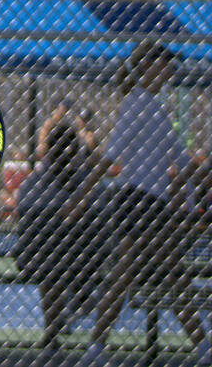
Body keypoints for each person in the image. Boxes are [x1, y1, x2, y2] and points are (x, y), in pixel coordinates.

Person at [79, 41, 210, 366]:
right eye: (165, 62)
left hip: (151, 204)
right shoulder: (137, 104)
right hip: (138, 202)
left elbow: (181, 157)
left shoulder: (153, 106)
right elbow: (110, 155)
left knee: (150, 276)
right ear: (148, 66)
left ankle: (96, 347)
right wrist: (81, 198)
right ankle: (203, 346)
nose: (171, 69)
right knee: (161, 276)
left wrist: (196, 177)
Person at [14, 121, 111, 351]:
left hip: (67, 254)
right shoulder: (80, 182)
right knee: (53, 261)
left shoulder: (39, 182)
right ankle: (75, 300)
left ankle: (55, 326)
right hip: (65, 255)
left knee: (53, 265)